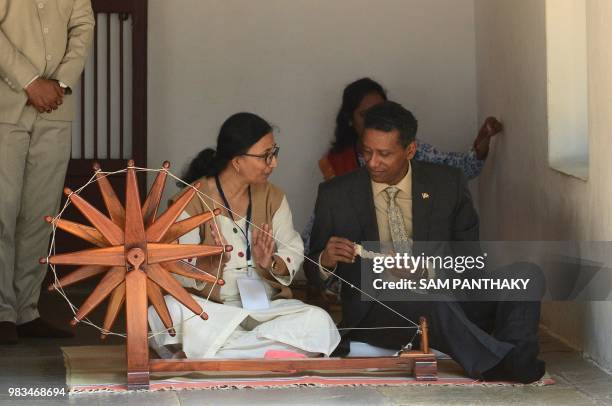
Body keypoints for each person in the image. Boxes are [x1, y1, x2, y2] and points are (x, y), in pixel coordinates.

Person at [309, 101, 545, 383]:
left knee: (525, 275)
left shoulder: (447, 184)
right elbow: (312, 271)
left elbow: (469, 259)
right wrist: (325, 259)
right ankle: (495, 363)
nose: (373, 162)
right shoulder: (336, 194)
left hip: (449, 295)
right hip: (378, 312)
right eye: (367, 151)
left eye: (384, 154)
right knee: (430, 299)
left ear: (410, 150)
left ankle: (514, 355)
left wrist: (424, 272)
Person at [148, 112, 340, 359]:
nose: (274, 163)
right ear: (237, 162)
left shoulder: (273, 197)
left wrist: (269, 262)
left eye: (274, 153)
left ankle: (220, 355)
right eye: (265, 156)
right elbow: (175, 267)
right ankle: (264, 352)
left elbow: (292, 249)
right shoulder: (190, 200)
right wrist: (207, 265)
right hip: (212, 311)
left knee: (319, 321)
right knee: (166, 313)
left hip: (267, 310)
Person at [0, 0, 95, 344]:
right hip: (5, 103)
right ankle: (2, 312)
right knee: (2, 209)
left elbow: (83, 26)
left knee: (41, 213)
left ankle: (26, 311)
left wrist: (62, 82)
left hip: (56, 106)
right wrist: (29, 81)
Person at [318, 77, 502, 182]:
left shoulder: (409, 150)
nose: (375, 121)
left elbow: (460, 170)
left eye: (380, 111)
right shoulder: (337, 164)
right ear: (350, 120)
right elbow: (325, 222)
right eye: (365, 115)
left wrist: (482, 141)